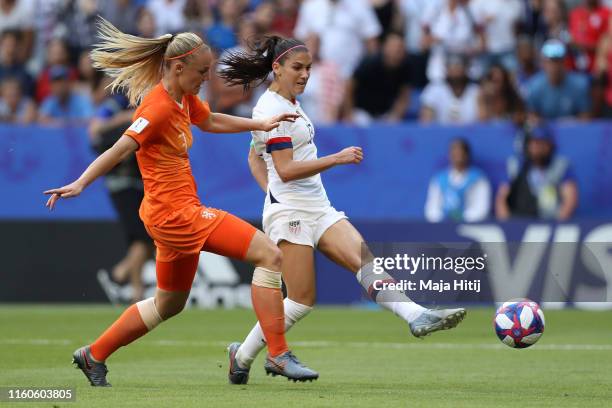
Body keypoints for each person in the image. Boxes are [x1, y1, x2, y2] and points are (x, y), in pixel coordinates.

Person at [43, 18, 318, 386]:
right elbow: (121, 147)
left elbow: (211, 121)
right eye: (202, 71)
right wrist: (80, 183)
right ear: (177, 67)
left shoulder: (184, 98)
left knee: (168, 304)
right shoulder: (155, 108)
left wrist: (261, 126)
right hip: (178, 215)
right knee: (270, 255)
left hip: (170, 215)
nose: (206, 78)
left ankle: (93, 354)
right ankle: (278, 353)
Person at [218, 35, 466, 385]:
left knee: (363, 260)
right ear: (277, 68)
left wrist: (271, 189)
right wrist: (333, 159)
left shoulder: (290, 102)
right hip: (291, 214)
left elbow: (253, 157)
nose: (305, 75)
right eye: (297, 68)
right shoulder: (270, 110)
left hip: (319, 207)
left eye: (308, 68)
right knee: (301, 301)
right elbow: (285, 169)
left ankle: (416, 314)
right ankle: (241, 355)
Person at [89, 80, 153, 303]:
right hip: (121, 182)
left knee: (149, 237)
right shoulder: (117, 104)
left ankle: (121, 273)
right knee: (140, 237)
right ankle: (137, 291)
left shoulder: (150, 103)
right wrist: (127, 119)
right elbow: (94, 129)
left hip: (141, 181)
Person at [495, 123, 578, 221]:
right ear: (527, 145)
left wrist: (555, 226)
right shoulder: (516, 166)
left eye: (542, 143)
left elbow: (570, 199)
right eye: (534, 143)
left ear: (550, 145)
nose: (538, 148)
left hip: (551, 221)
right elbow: (501, 199)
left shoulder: (561, 166)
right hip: (519, 221)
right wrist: (507, 226)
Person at [425, 138, 491, 222]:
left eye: (461, 153)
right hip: (442, 227)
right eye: (454, 153)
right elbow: (431, 209)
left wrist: (461, 217)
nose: (458, 157)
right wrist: (444, 218)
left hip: (470, 226)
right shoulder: (439, 179)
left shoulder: (478, 179)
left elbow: (482, 209)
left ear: (467, 155)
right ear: (449, 155)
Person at [526, 39, 591, 120]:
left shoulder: (579, 84)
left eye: (558, 60)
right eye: (550, 61)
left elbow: (585, 117)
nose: (554, 66)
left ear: (564, 61)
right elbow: (531, 115)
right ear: (543, 62)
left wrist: (570, 123)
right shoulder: (534, 85)